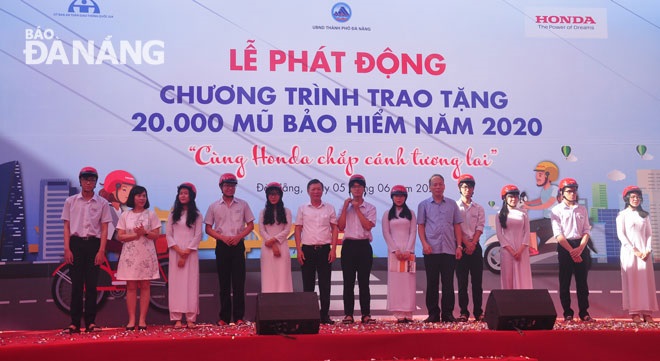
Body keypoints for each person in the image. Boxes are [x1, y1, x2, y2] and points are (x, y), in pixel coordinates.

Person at [60, 166, 112, 334]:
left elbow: (104, 229)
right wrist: (67, 248)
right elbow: (66, 226)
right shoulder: (71, 201)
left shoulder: (102, 203)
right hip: (75, 244)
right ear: (80, 181)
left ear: (96, 182)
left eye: (92, 180)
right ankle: (74, 323)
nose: (88, 183)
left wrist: (101, 250)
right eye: (85, 179)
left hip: (93, 245)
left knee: (91, 285)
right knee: (76, 285)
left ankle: (91, 323)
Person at [205, 173, 255, 326]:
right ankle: (224, 318)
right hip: (222, 246)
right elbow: (208, 228)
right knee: (224, 283)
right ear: (221, 187)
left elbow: (251, 225)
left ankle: (239, 317)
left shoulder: (243, 204)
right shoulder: (214, 206)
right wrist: (222, 238)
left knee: (239, 283)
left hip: (238, 245)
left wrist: (239, 236)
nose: (230, 188)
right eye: (227, 185)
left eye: (232, 185)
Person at [418, 174, 463, 323]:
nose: (438, 187)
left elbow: (457, 225)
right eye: (435, 184)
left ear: (444, 186)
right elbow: (421, 226)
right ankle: (433, 314)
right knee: (432, 283)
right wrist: (424, 244)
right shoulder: (423, 205)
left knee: (448, 284)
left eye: (440, 184)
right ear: (430, 187)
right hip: (431, 250)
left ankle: (448, 314)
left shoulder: (452, 204)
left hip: (449, 249)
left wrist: (459, 246)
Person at [116, 185, 161, 331]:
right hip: (130, 255)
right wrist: (136, 235)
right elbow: (120, 236)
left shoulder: (151, 214)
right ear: (133, 197)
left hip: (146, 254)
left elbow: (156, 235)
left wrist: (145, 232)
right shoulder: (125, 215)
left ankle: (142, 320)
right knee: (131, 287)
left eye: (144, 196)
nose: (142, 198)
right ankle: (131, 320)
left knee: (145, 286)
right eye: (139, 195)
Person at [294, 179, 338, 325]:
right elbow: (298, 229)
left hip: (325, 250)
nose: (316, 192)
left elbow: (335, 228)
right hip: (307, 249)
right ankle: (309, 316)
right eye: (313, 189)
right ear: (308, 191)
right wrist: (299, 250)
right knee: (308, 284)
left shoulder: (329, 208)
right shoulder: (302, 208)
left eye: (318, 189)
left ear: (322, 191)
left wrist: (333, 249)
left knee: (325, 284)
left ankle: (324, 315)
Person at [550, 178, 593, 322]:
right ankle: (567, 312)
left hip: (581, 246)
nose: (572, 193)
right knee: (565, 282)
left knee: (582, 283)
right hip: (565, 247)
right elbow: (558, 235)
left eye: (574, 190)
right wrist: (571, 251)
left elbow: (586, 230)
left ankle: (584, 312)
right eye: (569, 191)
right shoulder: (556, 210)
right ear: (562, 193)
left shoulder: (582, 209)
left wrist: (580, 248)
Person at [338, 174, 377, 324]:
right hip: (348, 247)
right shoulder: (344, 207)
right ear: (350, 189)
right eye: (354, 186)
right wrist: (345, 208)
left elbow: (368, 226)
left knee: (364, 282)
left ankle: (366, 314)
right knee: (348, 282)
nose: (357, 189)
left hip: (364, 246)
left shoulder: (370, 207)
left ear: (364, 188)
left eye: (359, 186)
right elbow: (341, 226)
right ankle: (348, 314)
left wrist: (357, 209)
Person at [616, 186, 658, 323]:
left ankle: (647, 312)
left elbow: (649, 234)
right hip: (630, 253)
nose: (636, 199)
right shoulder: (622, 215)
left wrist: (647, 250)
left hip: (644, 254)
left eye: (638, 197)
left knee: (646, 282)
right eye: (633, 197)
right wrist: (635, 251)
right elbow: (621, 235)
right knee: (632, 281)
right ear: (627, 198)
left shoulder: (644, 215)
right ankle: (634, 312)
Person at [166, 182, 203, 329]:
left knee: (191, 284)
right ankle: (177, 318)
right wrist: (178, 251)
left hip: (191, 254)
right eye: (181, 193)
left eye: (186, 193)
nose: (183, 195)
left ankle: (190, 318)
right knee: (176, 285)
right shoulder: (172, 214)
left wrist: (186, 252)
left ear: (191, 196)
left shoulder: (198, 215)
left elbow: (198, 235)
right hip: (175, 253)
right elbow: (169, 235)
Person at [382, 185, 417, 323]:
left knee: (408, 282)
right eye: (396, 195)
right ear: (392, 197)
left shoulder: (411, 214)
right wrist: (395, 250)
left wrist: (408, 250)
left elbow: (413, 232)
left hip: (409, 253)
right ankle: (398, 313)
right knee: (396, 282)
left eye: (401, 195)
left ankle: (408, 313)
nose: (399, 198)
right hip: (394, 253)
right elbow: (386, 233)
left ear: (405, 197)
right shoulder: (387, 214)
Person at [455, 174, 486, 322]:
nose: (467, 189)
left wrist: (473, 243)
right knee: (462, 283)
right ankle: (463, 312)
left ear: (473, 189)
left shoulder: (479, 208)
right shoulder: (454, 207)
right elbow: (455, 227)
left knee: (477, 282)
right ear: (460, 189)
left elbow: (480, 226)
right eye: (464, 187)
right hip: (461, 247)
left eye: (470, 187)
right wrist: (465, 244)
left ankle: (478, 312)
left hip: (475, 247)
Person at [258, 182, 293, 293]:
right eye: (270, 194)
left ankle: (284, 305)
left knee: (283, 277)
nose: (273, 197)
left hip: (282, 247)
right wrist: (272, 244)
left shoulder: (286, 211)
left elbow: (287, 230)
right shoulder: (263, 212)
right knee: (268, 277)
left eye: (276, 194)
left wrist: (273, 240)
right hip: (267, 248)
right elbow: (262, 230)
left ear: (281, 195)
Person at [496, 185, 533, 290]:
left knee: (523, 276)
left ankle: (524, 300)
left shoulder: (523, 213)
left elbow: (527, 232)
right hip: (507, 251)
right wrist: (511, 251)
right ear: (504, 198)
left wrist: (521, 250)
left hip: (522, 250)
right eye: (511, 196)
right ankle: (508, 302)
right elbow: (499, 235)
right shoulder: (499, 214)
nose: (514, 199)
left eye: (516, 196)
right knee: (508, 278)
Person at [522, 161, 560, 249]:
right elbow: (541, 199)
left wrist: (529, 207)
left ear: (548, 176)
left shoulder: (555, 189)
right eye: (537, 174)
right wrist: (528, 202)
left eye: (540, 174)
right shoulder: (544, 190)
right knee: (542, 235)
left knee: (531, 225)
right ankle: (540, 247)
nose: (537, 177)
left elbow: (547, 204)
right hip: (547, 219)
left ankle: (533, 249)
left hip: (554, 220)